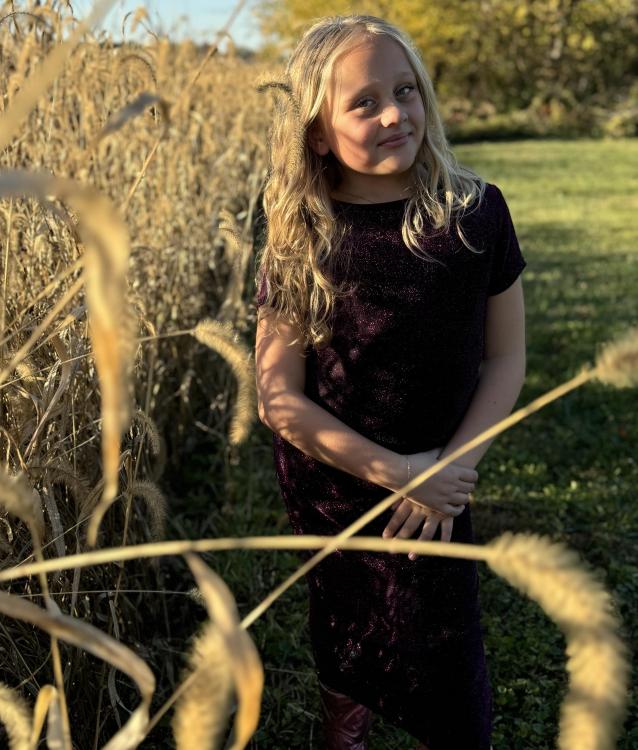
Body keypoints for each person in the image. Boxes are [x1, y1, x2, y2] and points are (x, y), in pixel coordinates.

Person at [253, 14, 526, 750]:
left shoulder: (474, 214)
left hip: (441, 480)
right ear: (316, 131)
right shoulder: (303, 237)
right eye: (364, 102)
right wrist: (393, 470)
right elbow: (279, 398)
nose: (396, 114)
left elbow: (506, 359)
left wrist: (449, 470)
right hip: (337, 478)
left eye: (406, 90)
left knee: (443, 635)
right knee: (347, 618)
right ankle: (344, 718)